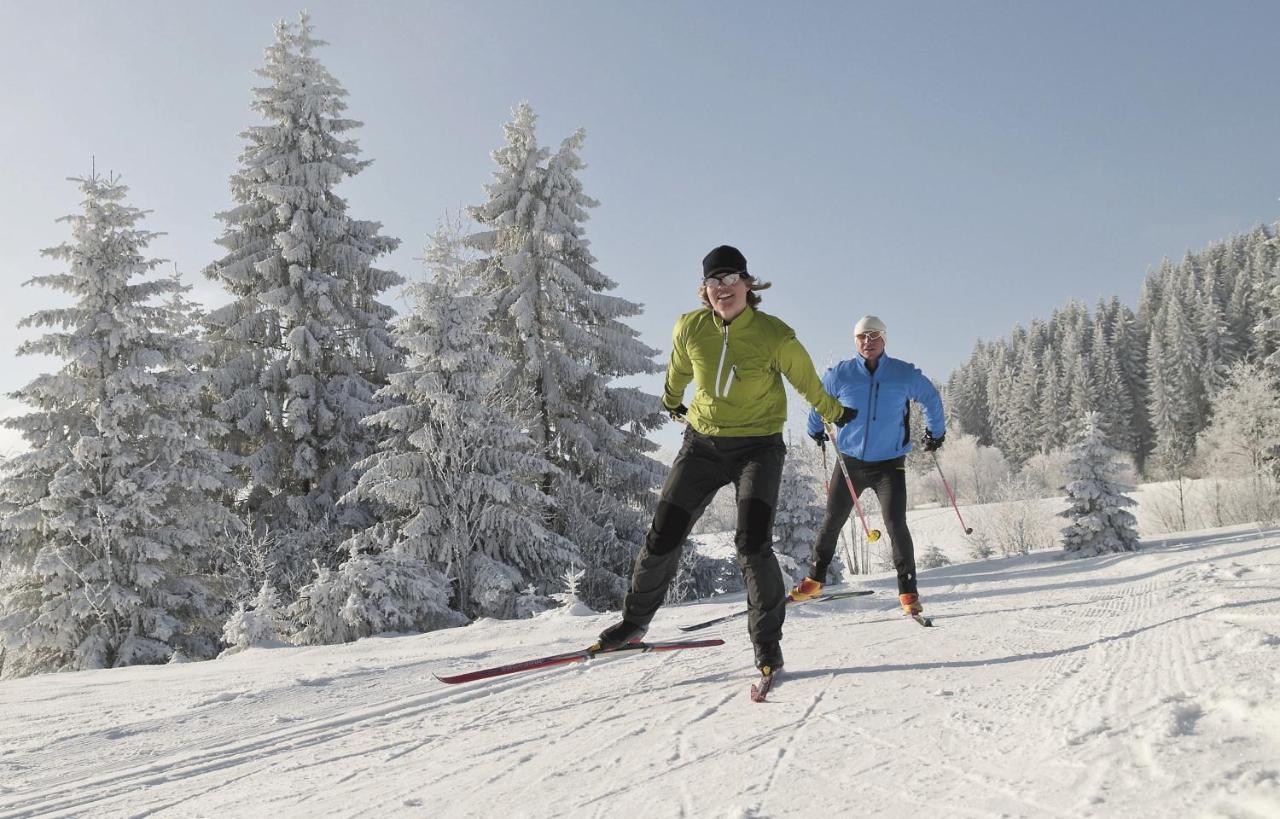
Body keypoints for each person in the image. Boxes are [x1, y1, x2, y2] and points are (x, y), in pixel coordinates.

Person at [594, 245, 857, 673]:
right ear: (705, 290)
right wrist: (672, 400)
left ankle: (767, 644)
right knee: (663, 536)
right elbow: (679, 368)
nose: (723, 288)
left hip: (759, 448)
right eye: (714, 281)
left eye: (731, 278)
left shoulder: (774, 335)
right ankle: (633, 623)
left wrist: (833, 411)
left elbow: (805, 380)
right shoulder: (691, 327)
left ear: (748, 284)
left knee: (752, 546)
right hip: (703, 446)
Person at [790, 314, 946, 618]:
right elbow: (819, 399)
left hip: (890, 464)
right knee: (831, 521)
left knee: (895, 524)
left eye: (874, 336)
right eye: (862, 336)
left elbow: (930, 397)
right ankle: (814, 580)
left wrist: (935, 432)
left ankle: (908, 592)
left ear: (884, 339)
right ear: (855, 340)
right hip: (851, 462)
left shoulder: (903, 374)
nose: (868, 341)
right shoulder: (841, 374)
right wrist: (815, 428)